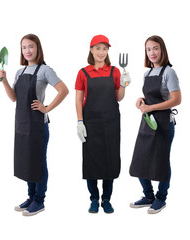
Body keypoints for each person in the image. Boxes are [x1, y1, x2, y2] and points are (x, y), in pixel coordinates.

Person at [0, 33, 69, 216]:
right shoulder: (19, 72)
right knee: (26, 162)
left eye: (31, 46)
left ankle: (39, 200)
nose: (28, 50)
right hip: (21, 124)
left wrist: (47, 108)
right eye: (24, 47)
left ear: (38, 48)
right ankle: (30, 198)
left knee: (38, 162)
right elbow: (14, 97)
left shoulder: (45, 70)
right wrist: (3, 80)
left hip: (38, 125)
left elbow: (64, 90)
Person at [75, 35, 131, 214]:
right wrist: (79, 121)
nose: (101, 52)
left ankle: (106, 199)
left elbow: (118, 97)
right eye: (97, 48)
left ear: (108, 51)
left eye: (105, 48)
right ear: (91, 50)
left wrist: (124, 84)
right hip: (90, 123)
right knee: (91, 163)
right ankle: (93, 199)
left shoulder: (115, 71)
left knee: (110, 160)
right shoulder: (83, 72)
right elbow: (78, 99)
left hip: (111, 122)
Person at [129, 35, 181, 214]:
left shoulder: (169, 72)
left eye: (155, 48)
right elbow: (150, 96)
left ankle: (161, 198)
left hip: (165, 124)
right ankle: (148, 195)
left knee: (161, 161)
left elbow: (176, 100)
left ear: (162, 50)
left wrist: (151, 106)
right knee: (140, 159)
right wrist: (141, 100)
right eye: (148, 49)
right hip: (149, 122)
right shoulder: (147, 73)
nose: (152, 52)